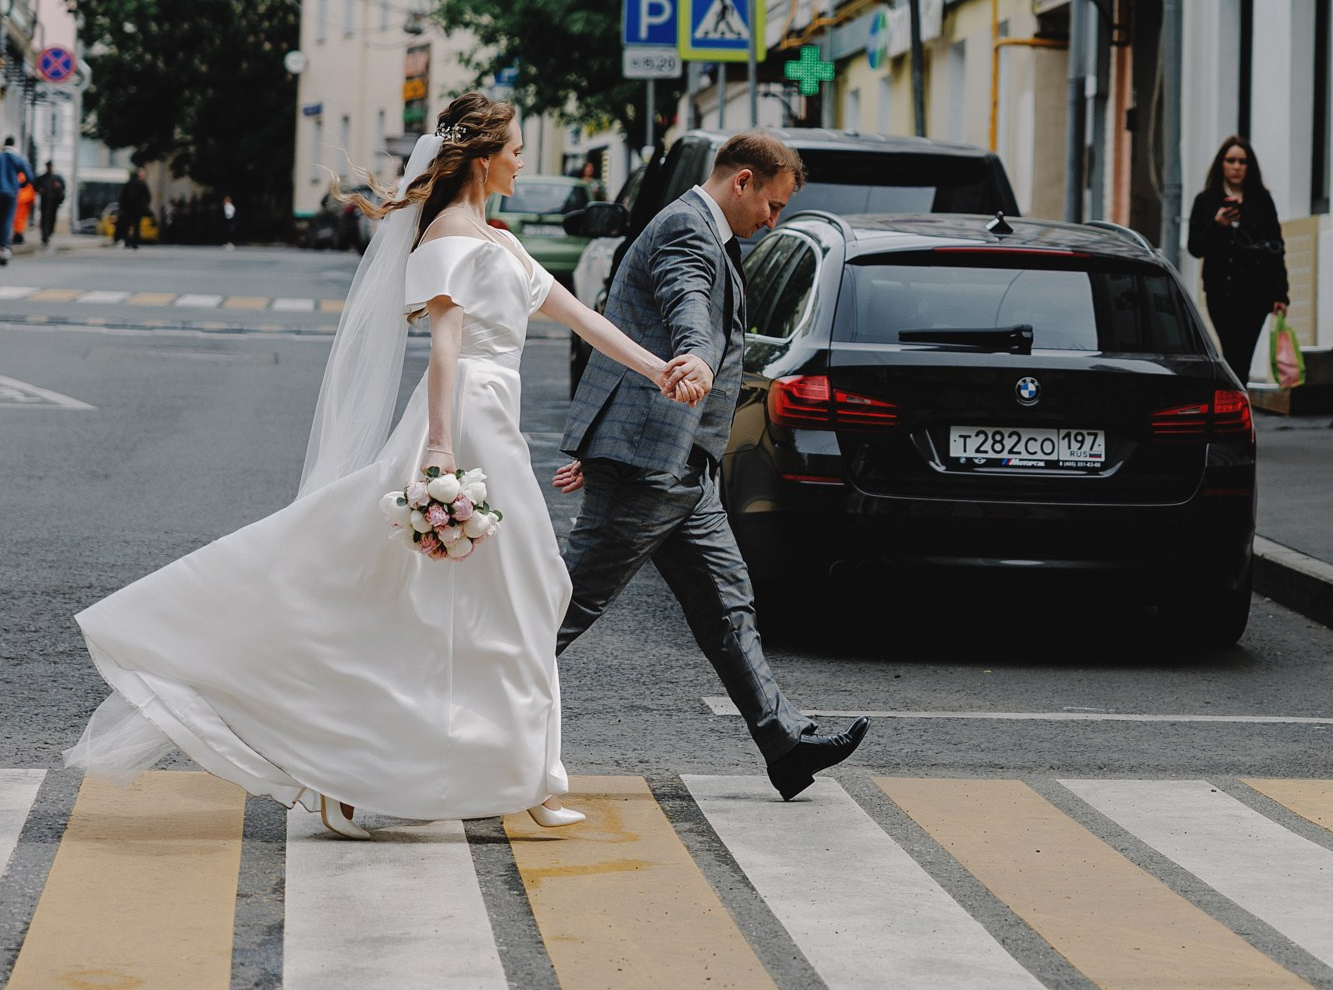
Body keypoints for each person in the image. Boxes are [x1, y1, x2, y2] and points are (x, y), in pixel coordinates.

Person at [64, 94, 706, 838]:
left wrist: (662, 368)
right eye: (518, 149)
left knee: (525, 595)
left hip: (495, 423)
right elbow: (444, 350)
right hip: (464, 424)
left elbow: (578, 315)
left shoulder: (501, 241)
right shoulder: (445, 243)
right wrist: (438, 449)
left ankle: (518, 775)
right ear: (482, 157)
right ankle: (383, 773)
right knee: (449, 595)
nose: (525, 162)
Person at [553, 131, 871, 801]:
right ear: (743, 181)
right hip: (650, 459)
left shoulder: (704, 228)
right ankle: (450, 713)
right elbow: (686, 303)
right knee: (562, 609)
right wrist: (694, 354)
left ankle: (785, 743)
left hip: (680, 464)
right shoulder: (689, 233)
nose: (772, 219)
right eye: (774, 205)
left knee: (727, 602)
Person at [1187, 135, 1290, 383]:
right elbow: (1195, 247)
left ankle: (1235, 408)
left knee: (1242, 356)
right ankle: (1235, 409)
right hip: (1221, 292)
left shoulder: (1262, 201)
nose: (1236, 166)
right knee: (1232, 351)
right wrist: (1217, 224)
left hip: (1256, 293)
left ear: (1249, 166)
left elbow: (1276, 247)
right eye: (1231, 160)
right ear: (1221, 164)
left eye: (1242, 161)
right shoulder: (1206, 201)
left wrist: (1280, 294)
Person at [0, 137, 31, 265]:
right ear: (13, 145)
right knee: (7, 220)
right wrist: (21, 185)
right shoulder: (17, 158)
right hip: (11, 193)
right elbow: (29, 176)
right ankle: (3, 247)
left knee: (0, 219)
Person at [34, 161, 66, 253]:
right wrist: (40, 190)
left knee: (52, 219)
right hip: (44, 202)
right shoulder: (41, 178)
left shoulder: (57, 178)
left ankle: (49, 233)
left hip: (54, 202)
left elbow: (63, 188)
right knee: (44, 218)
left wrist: (58, 187)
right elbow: (35, 186)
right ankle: (45, 235)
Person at [116, 168, 150, 249]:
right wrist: (144, 206)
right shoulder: (142, 184)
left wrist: (122, 208)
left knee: (127, 226)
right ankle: (135, 243)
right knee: (137, 226)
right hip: (138, 209)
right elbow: (148, 196)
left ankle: (127, 242)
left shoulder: (127, 184)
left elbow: (122, 197)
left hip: (127, 209)